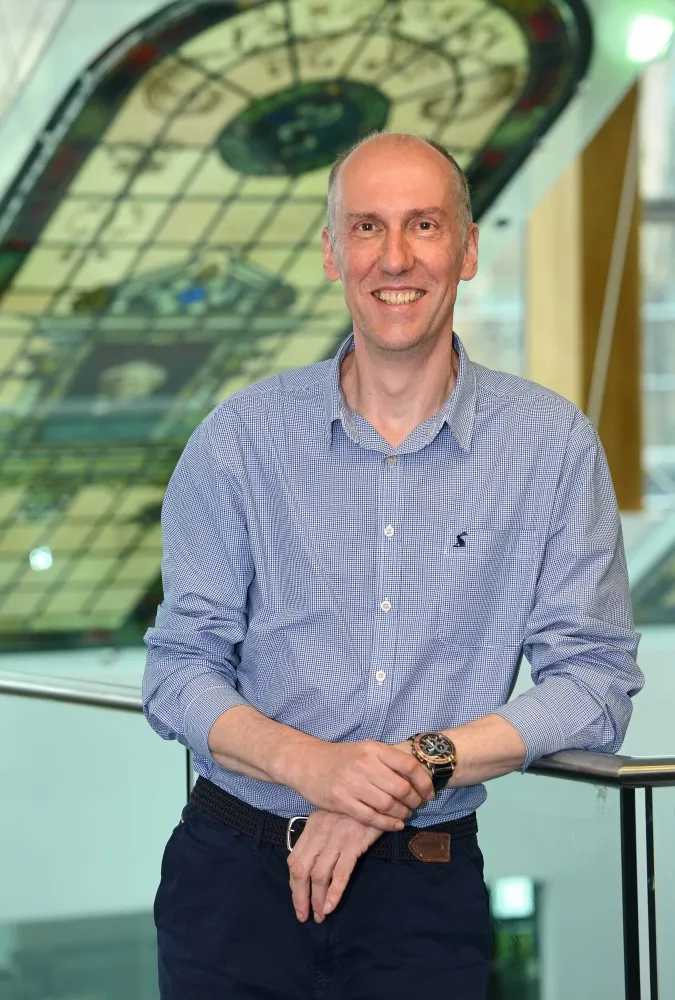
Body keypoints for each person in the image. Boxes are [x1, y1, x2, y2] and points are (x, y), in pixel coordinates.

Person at [143, 131, 643, 999]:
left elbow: (594, 683)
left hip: (422, 888)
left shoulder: (550, 447)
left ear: (468, 248)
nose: (396, 257)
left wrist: (404, 770)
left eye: (423, 224)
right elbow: (178, 671)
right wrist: (311, 767)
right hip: (231, 883)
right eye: (367, 228)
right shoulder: (240, 441)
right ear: (333, 253)